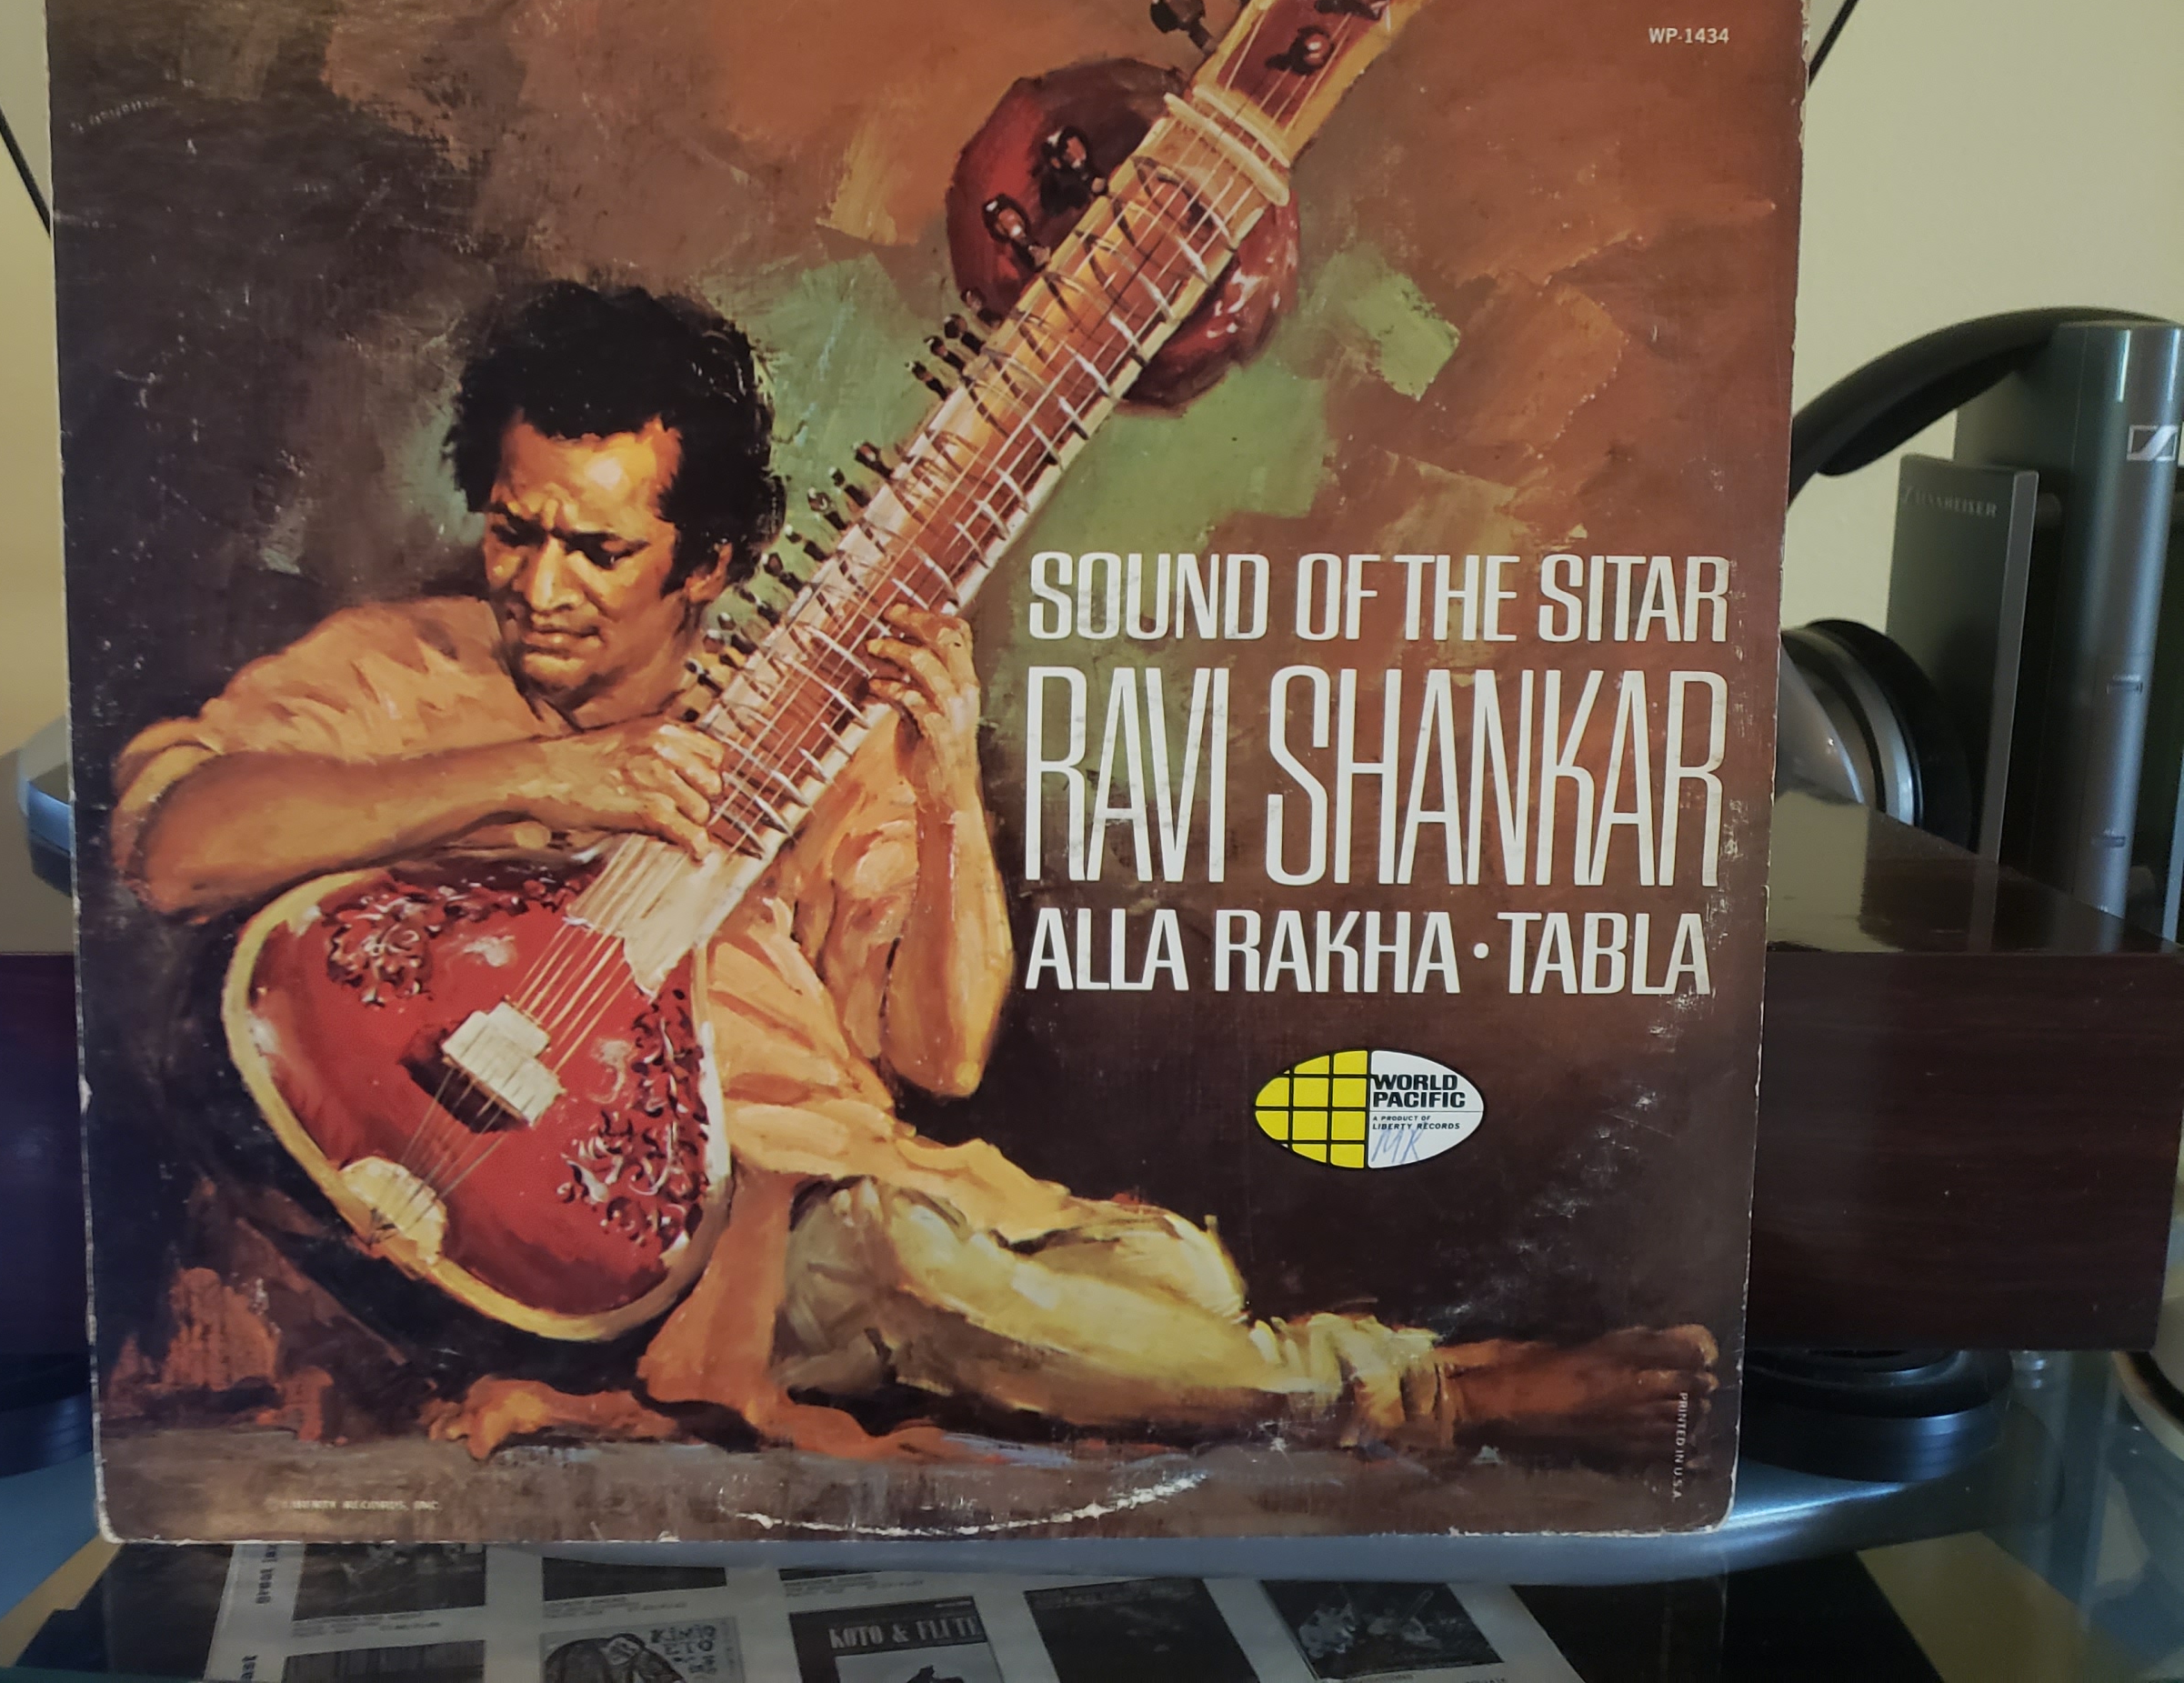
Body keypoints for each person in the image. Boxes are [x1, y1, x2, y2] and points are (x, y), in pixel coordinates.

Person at [111, 278, 1714, 1463]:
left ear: (712, 565)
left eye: (599, 550)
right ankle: (1426, 1391)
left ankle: (1275, 1364)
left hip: (805, 1196)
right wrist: (540, 775)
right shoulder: (399, 671)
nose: (539, 586)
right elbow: (179, 853)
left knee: (1145, 1266)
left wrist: (945, 777)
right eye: (514, 530)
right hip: (666, 1239)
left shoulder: (813, 734)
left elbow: (937, 1054)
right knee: (909, 1260)